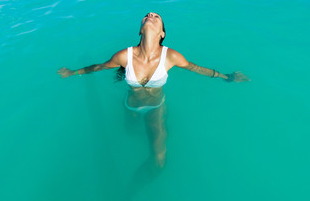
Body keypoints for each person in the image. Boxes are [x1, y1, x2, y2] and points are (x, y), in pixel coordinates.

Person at [57, 12, 250, 169]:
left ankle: (133, 192)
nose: (150, 15)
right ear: (140, 30)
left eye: (157, 17)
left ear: (162, 34)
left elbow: (196, 68)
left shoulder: (171, 56)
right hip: (130, 106)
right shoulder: (125, 56)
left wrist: (228, 77)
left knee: (158, 157)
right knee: (129, 132)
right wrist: (73, 73)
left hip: (156, 107)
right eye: (147, 16)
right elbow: (99, 66)